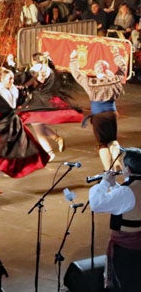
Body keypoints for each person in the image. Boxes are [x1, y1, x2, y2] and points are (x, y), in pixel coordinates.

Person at [0, 68, 49, 195]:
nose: (12, 81)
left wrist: (40, 80)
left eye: (13, 78)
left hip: (13, 126)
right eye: (9, 79)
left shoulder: (15, 90)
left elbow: (28, 89)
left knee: (7, 155)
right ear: (1, 80)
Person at [69, 48, 132, 170]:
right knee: (113, 140)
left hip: (99, 117)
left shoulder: (91, 82)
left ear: (96, 70)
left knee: (102, 144)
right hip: (111, 114)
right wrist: (116, 53)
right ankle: (117, 162)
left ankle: (108, 170)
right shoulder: (115, 80)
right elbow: (123, 67)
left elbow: (76, 74)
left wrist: (73, 59)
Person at [88, 147, 141, 291]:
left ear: (128, 169)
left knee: (126, 283)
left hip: (127, 249)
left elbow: (97, 204)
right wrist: (115, 185)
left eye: (123, 166)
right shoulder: (129, 190)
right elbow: (129, 201)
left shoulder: (126, 192)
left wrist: (104, 183)